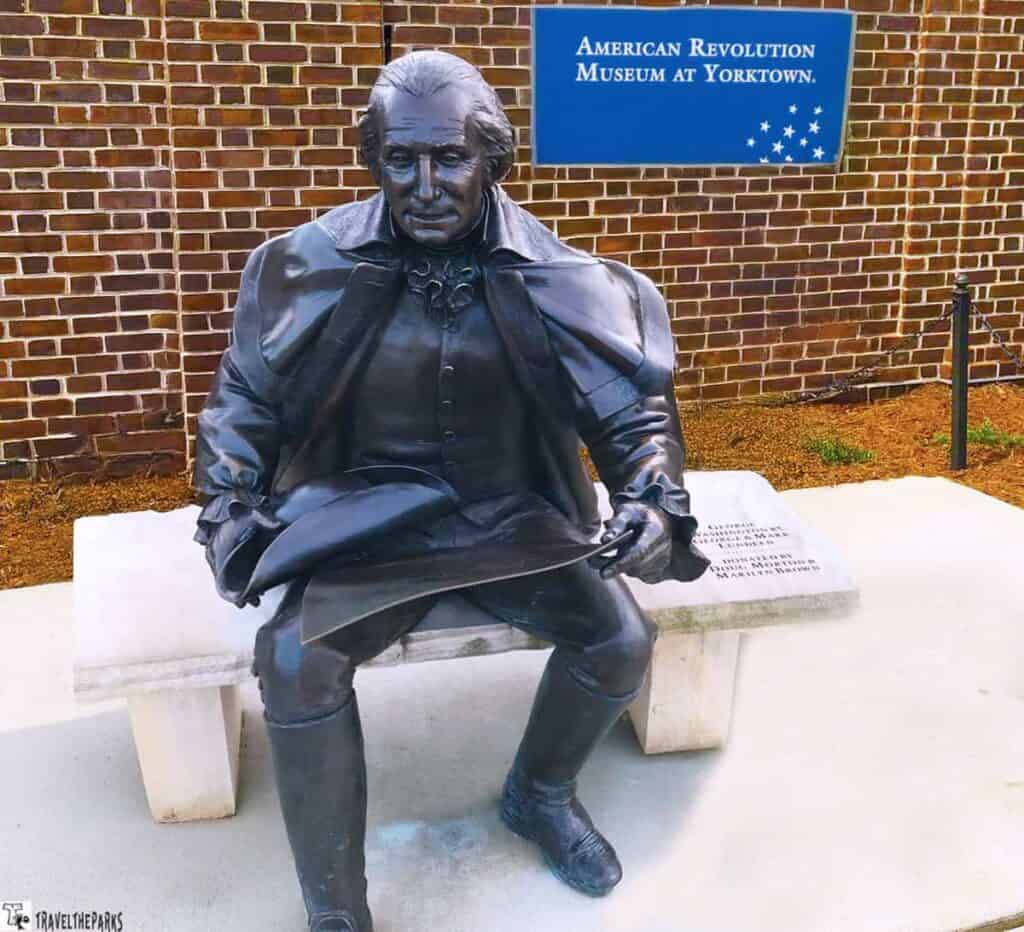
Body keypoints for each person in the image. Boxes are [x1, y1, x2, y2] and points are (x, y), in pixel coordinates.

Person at [193, 50, 707, 932]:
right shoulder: (308, 265)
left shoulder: (559, 275)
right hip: (367, 521)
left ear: (490, 161)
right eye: (402, 160)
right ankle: (336, 909)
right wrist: (229, 501)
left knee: (620, 639)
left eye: (450, 159)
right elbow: (244, 400)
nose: (426, 184)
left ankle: (539, 795)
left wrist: (652, 499)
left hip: (514, 516)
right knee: (293, 661)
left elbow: (633, 416)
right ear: (375, 161)